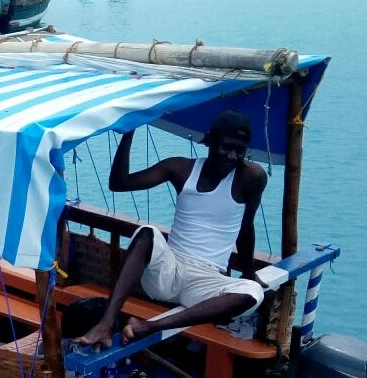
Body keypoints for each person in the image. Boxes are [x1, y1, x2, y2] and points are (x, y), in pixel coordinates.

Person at [74, 110, 268, 348]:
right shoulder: (180, 168)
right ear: (209, 141)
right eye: (226, 147)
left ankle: (149, 326)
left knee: (253, 292)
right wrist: (129, 131)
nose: (232, 156)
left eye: (240, 150)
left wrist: (249, 272)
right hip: (168, 271)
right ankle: (105, 324)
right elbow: (119, 183)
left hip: (206, 280)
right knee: (147, 233)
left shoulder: (252, 177)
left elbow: (245, 227)